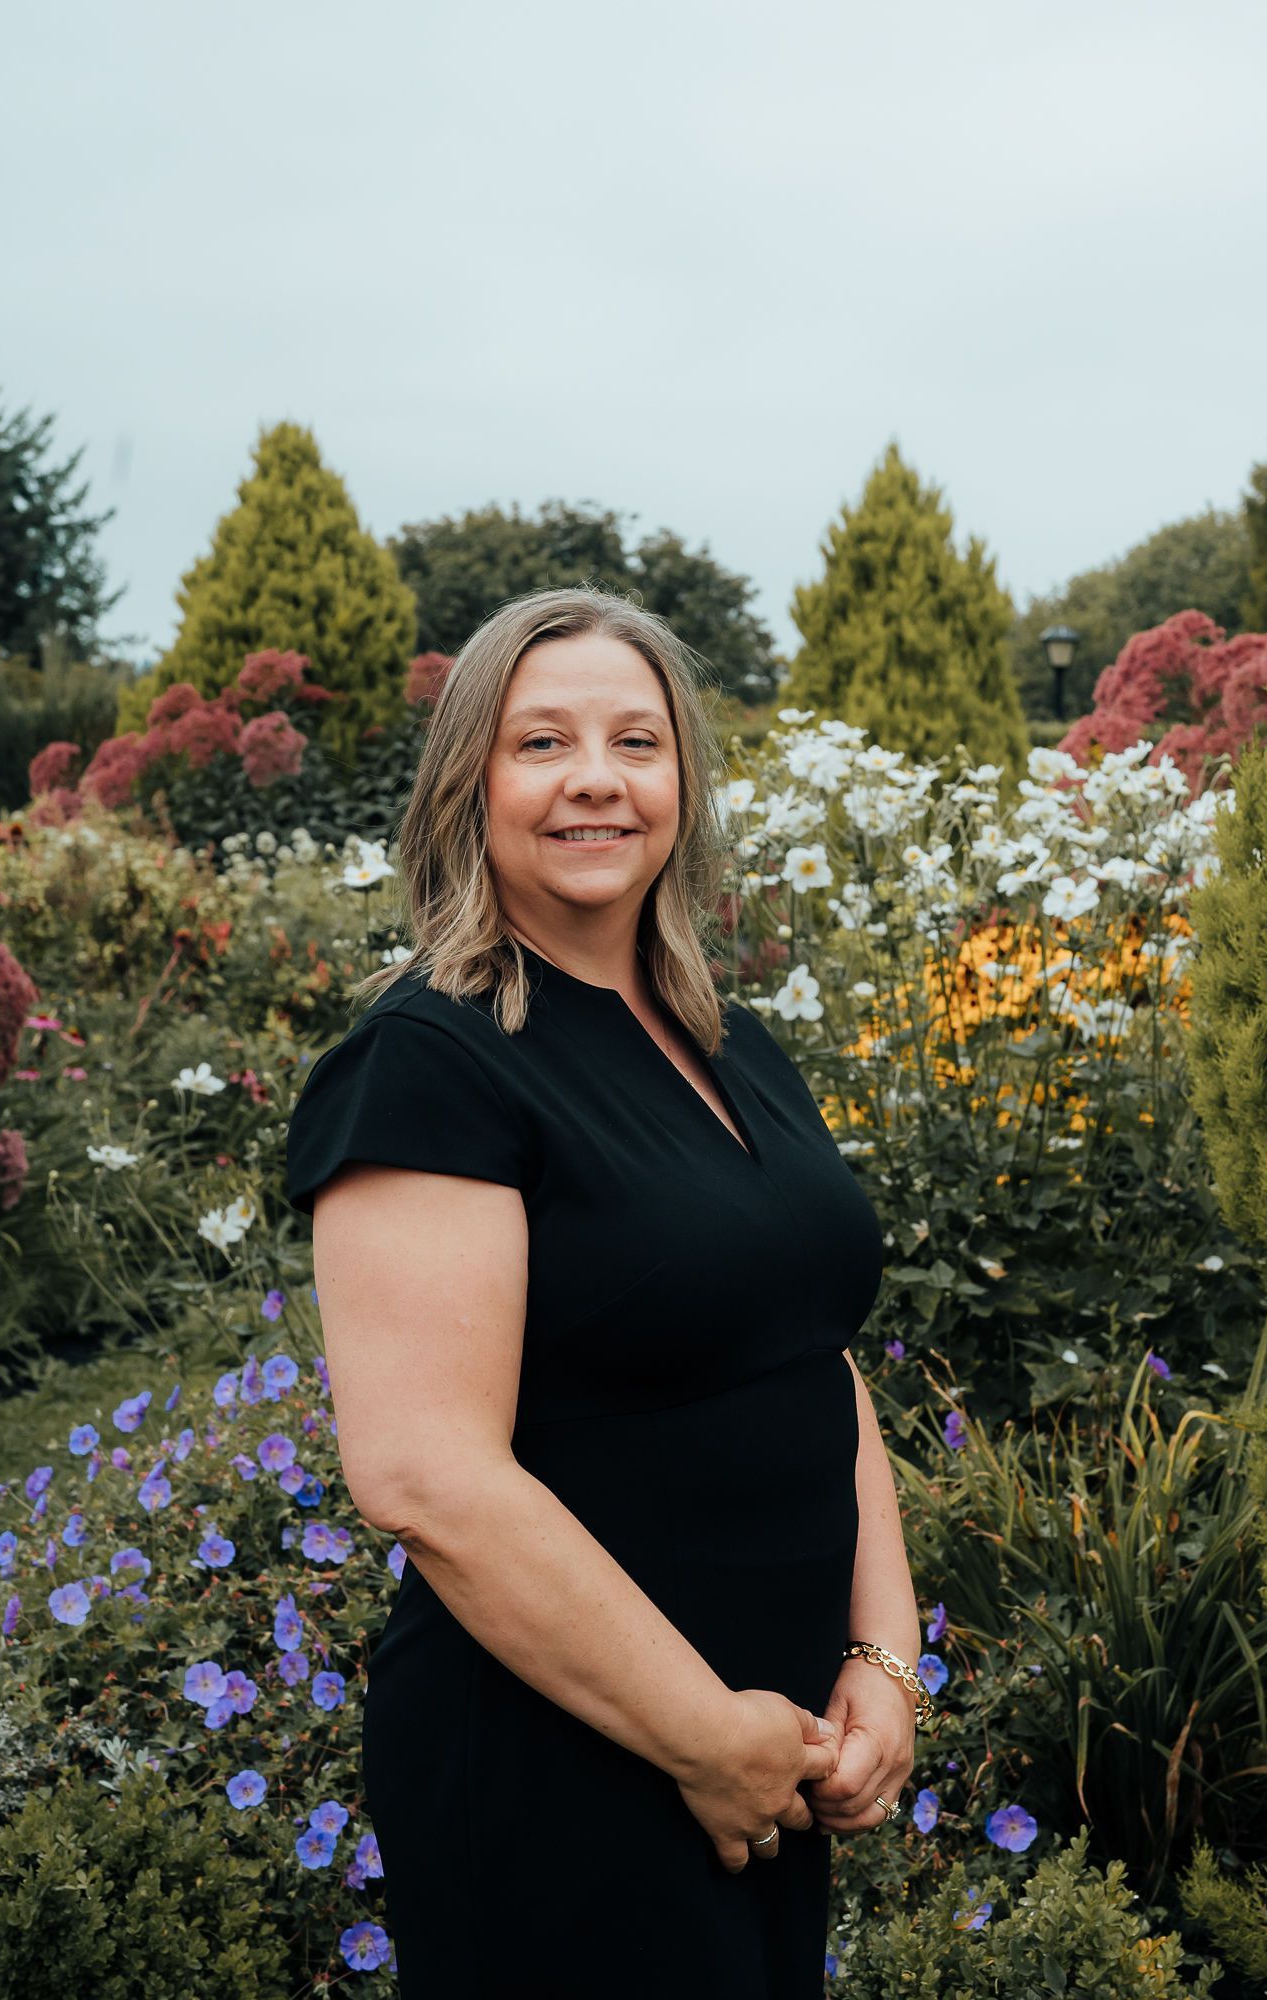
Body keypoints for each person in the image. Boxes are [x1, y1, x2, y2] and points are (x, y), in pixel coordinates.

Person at [284, 585, 926, 1998]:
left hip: (769, 1754)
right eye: (542, 743)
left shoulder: (727, 1036)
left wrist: (886, 1657)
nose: (595, 779)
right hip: (566, 1753)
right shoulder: (430, 1061)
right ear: (471, 783)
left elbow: (813, 1351)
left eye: (636, 741)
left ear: (682, 782)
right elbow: (424, 1475)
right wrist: (703, 1734)